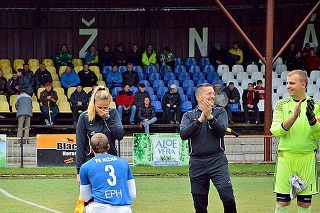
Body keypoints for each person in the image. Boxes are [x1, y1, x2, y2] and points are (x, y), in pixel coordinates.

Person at [180, 83, 237, 213]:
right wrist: (201, 119)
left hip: (217, 161)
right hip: (197, 163)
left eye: (213, 93)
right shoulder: (188, 116)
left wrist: (210, 117)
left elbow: (221, 131)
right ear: (198, 97)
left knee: (228, 198)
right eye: (209, 93)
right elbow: (184, 135)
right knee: (200, 205)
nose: (213, 96)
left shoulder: (220, 112)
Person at [270, 70, 320, 213]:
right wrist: (294, 117)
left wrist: (312, 120)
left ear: (303, 84)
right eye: (287, 83)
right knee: (282, 203)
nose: (288, 86)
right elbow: (275, 131)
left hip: (307, 158)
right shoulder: (281, 105)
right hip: (286, 158)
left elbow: (319, 133)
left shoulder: (316, 105)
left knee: (304, 205)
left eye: (292, 83)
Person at [76, 85, 124, 185]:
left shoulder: (113, 114)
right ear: (94, 104)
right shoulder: (84, 117)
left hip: (110, 161)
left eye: (105, 107)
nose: (102, 110)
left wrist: (108, 118)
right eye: (100, 107)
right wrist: (79, 171)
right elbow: (80, 145)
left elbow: (120, 135)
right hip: (90, 162)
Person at [79, 133, 136, 213]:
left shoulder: (85, 167)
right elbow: (132, 194)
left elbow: (85, 197)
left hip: (100, 208)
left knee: (85, 209)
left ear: (91, 149)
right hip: (124, 209)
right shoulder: (124, 163)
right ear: (108, 147)